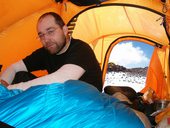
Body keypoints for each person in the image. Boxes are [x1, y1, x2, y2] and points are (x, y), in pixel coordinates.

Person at [0, 12, 102, 91]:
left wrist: (10, 89)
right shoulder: (46, 51)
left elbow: (62, 79)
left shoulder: (81, 49)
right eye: (41, 35)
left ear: (65, 30)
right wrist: (2, 85)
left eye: (50, 31)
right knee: (19, 75)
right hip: (60, 97)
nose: (46, 39)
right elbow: (14, 67)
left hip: (86, 102)